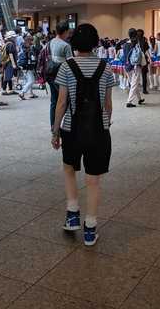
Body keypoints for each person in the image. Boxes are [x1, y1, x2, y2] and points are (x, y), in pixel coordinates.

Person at [51, 23, 115, 246]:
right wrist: (106, 123)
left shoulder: (66, 67)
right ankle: (90, 228)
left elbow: (61, 103)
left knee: (69, 168)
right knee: (93, 180)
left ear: (74, 42)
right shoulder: (106, 67)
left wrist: (55, 130)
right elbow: (108, 104)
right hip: (99, 130)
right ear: (95, 42)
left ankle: (72, 213)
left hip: (71, 129)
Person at [46, 21, 73, 126]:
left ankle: (53, 125)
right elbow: (71, 63)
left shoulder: (51, 41)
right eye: (68, 32)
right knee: (64, 101)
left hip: (50, 74)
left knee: (54, 101)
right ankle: (62, 124)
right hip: (61, 76)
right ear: (65, 31)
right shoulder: (66, 45)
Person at [123, 28, 146, 108]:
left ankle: (140, 99)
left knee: (133, 84)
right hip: (135, 66)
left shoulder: (125, 44)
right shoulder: (136, 43)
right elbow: (139, 55)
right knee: (134, 84)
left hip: (126, 66)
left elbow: (124, 56)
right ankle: (129, 102)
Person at [18, 34, 38, 100]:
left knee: (28, 80)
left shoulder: (23, 46)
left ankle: (31, 93)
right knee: (31, 80)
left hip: (24, 66)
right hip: (27, 67)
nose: (33, 42)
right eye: (32, 40)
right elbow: (31, 58)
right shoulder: (28, 49)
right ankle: (22, 92)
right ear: (29, 41)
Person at [1, 31, 18, 95]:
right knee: (8, 76)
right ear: (11, 37)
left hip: (7, 62)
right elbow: (10, 54)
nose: (15, 38)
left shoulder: (7, 43)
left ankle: (10, 89)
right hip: (9, 62)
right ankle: (4, 90)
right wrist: (13, 64)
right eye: (14, 37)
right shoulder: (11, 44)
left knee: (9, 76)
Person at [136, 29, 150, 95]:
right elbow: (147, 51)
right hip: (144, 59)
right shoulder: (144, 41)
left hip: (136, 59)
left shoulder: (134, 40)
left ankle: (134, 89)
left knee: (136, 75)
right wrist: (150, 58)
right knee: (144, 75)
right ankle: (144, 90)